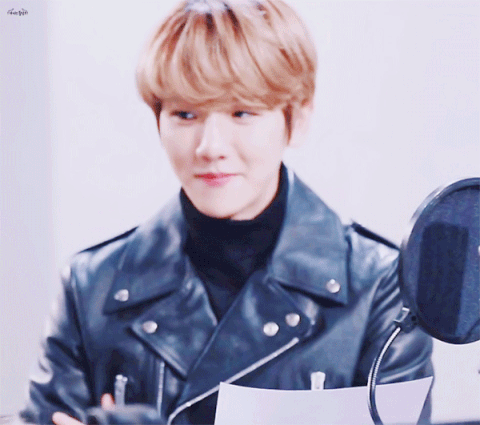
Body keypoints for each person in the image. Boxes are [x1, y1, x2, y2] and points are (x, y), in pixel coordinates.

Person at [20, 0, 433, 424]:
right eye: (185, 114)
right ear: (158, 120)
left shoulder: (381, 287)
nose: (210, 146)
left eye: (242, 113)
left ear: (297, 117)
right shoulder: (92, 286)